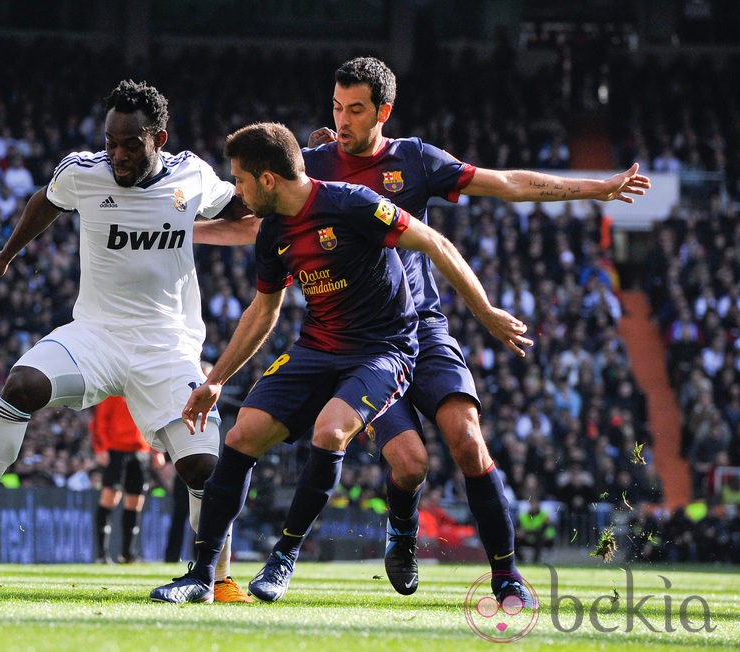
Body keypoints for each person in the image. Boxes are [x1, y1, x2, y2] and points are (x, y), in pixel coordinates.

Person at [302, 56, 650, 601]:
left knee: (467, 441)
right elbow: (255, 197)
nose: (343, 121)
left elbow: (508, 183)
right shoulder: (314, 164)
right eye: (337, 108)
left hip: (424, 328)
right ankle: (402, 532)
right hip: (365, 343)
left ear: (383, 112)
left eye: (355, 110)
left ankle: (507, 577)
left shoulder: (414, 160)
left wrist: (595, 189)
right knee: (411, 465)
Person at [150, 121, 530, 604]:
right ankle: (201, 575)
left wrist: (486, 312)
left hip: (384, 348)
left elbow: (434, 243)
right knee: (243, 434)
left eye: (241, 180)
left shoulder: (353, 203)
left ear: (268, 179)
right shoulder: (273, 234)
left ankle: (283, 557)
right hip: (317, 346)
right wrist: (217, 380)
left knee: (330, 432)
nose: (238, 191)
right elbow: (263, 312)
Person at [0, 80, 256, 603]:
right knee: (21, 384)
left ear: (159, 136)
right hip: (95, 334)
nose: (117, 153)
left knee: (203, 466)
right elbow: (45, 199)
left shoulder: (192, 175)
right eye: (111, 141)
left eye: (131, 143)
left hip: (167, 346)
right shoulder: (84, 173)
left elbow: (239, 209)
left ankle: (217, 578)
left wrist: (304, 176)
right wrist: (7, 254)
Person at [91, 395, 164, 564]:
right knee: (110, 497)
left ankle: (127, 554)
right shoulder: (114, 391)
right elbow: (99, 420)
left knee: (135, 501)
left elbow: (155, 421)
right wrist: (100, 448)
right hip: (116, 450)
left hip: (141, 451)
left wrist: (158, 449)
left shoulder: (145, 391)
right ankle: (102, 554)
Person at [515, 497, 556, 563]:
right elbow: (519, 529)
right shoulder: (523, 516)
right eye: (531, 503)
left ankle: (535, 561)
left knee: (540, 538)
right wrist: (519, 533)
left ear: (538, 504)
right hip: (527, 537)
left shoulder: (545, 516)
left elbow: (549, 529)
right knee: (515, 540)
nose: (533, 505)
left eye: (535, 503)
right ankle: (521, 560)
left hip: (540, 539)